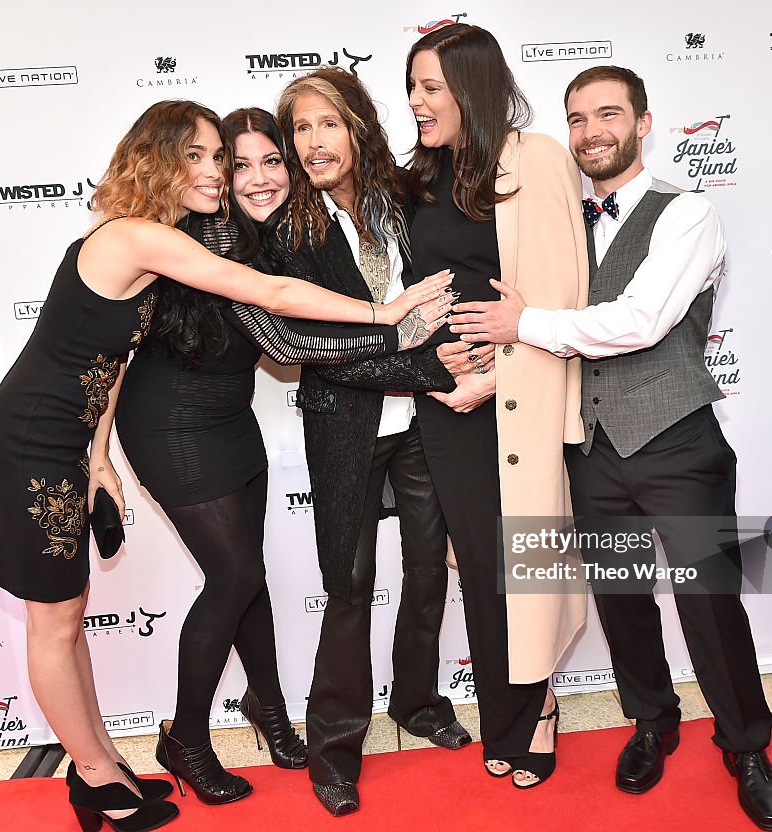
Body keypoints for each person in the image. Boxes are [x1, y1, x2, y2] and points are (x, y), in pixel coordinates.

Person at [0, 99, 451, 832]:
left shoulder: (151, 238)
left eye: (217, 157)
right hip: (32, 440)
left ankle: (104, 765)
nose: (218, 172)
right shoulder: (139, 237)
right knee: (57, 623)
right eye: (197, 156)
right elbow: (275, 302)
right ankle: (112, 772)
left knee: (80, 616)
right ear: (157, 160)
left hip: (74, 437)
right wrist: (389, 316)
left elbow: (111, 358)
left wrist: (98, 457)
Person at [448, 65, 772, 830]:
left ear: (642, 123)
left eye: (608, 115)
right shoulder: (561, 217)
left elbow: (640, 321)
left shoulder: (687, 213)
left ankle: (746, 745)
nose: (591, 132)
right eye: (576, 119)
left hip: (678, 445)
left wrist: (524, 324)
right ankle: (652, 720)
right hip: (590, 448)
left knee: (709, 604)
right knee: (622, 599)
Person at [114, 107, 445, 805]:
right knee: (232, 576)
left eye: (273, 162)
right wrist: (404, 335)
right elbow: (290, 347)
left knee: (247, 576)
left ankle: (265, 709)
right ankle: (188, 740)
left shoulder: (276, 238)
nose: (259, 178)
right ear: (211, 175)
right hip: (170, 425)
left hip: (229, 419)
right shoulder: (219, 236)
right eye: (239, 165)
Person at [272, 67, 480, 816]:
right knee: (349, 586)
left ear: (358, 126)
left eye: (328, 123)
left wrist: (436, 362)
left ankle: (418, 702)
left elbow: (439, 297)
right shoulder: (290, 227)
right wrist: (425, 367)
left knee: (428, 570)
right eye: (300, 128)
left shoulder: (404, 198)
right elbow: (313, 347)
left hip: (425, 426)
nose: (314, 141)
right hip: (346, 425)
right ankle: (334, 748)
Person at [400, 24, 589, 790]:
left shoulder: (534, 158)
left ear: (471, 87)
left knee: (527, 565)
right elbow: (420, 297)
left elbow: (559, 294)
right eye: (412, 87)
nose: (416, 102)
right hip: (449, 404)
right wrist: (430, 366)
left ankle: (534, 708)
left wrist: (496, 375)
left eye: (431, 87)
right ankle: (511, 711)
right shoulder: (423, 178)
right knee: (481, 566)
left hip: (516, 400)